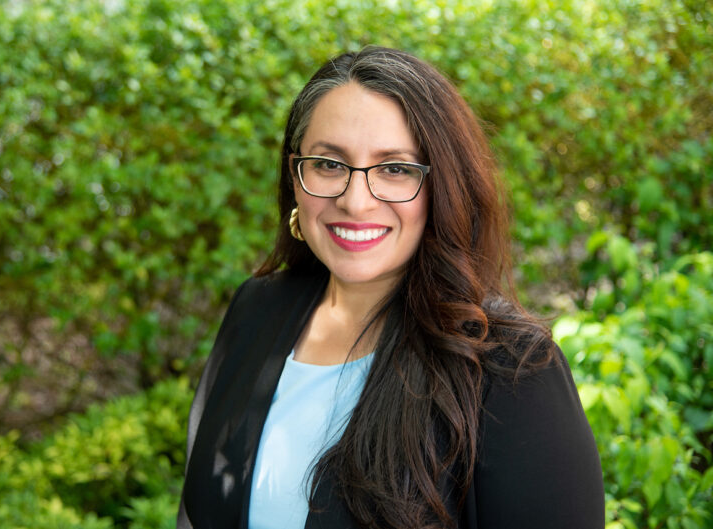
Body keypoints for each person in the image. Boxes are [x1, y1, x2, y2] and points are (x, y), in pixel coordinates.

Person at [177, 46, 604, 529]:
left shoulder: (509, 369)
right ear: (295, 175)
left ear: (443, 186)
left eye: (395, 169)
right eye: (328, 164)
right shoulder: (256, 310)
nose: (355, 201)